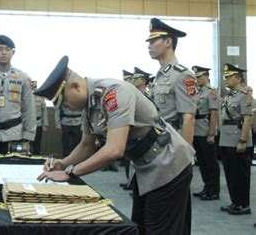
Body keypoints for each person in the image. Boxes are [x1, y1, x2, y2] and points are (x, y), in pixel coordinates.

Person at [35, 56, 195, 234]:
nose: (66, 108)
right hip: (146, 166)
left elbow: (114, 150)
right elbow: (86, 145)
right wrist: (63, 163)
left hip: (168, 162)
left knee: (160, 228)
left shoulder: (114, 93)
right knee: (141, 226)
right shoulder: (88, 105)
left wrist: (70, 172)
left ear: (75, 87)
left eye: (64, 102)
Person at [147, 17, 197, 145]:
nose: (149, 46)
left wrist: (185, 153)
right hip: (157, 139)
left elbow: (189, 118)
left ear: (168, 42)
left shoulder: (182, 75)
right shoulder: (160, 76)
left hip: (172, 142)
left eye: (153, 41)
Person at [219, 63, 253, 215]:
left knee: (241, 175)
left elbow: (247, 120)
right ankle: (235, 202)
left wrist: (243, 140)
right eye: (225, 76)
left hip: (237, 139)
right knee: (230, 173)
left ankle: (243, 205)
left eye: (229, 76)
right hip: (226, 139)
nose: (226, 78)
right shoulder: (229, 96)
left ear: (238, 79)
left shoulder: (245, 96)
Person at [190, 65, 220, 201]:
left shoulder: (211, 92)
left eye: (199, 77)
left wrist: (211, 133)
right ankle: (206, 187)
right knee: (201, 161)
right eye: (195, 77)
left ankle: (214, 190)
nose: (197, 79)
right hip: (195, 128)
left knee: (210, 161)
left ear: (207, 77)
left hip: (205, 128)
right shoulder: (196, 92)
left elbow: (213, 113)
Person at [31, 80, 48, 155]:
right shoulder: (26, 95)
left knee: (37, 143)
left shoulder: (41, 96)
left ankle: (36, 158)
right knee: (27, 144)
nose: (34, 86)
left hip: (38, 123)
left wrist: (45, 125)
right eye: (32, 85)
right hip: (29, 124)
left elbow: (44, 111)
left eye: (35, 85)